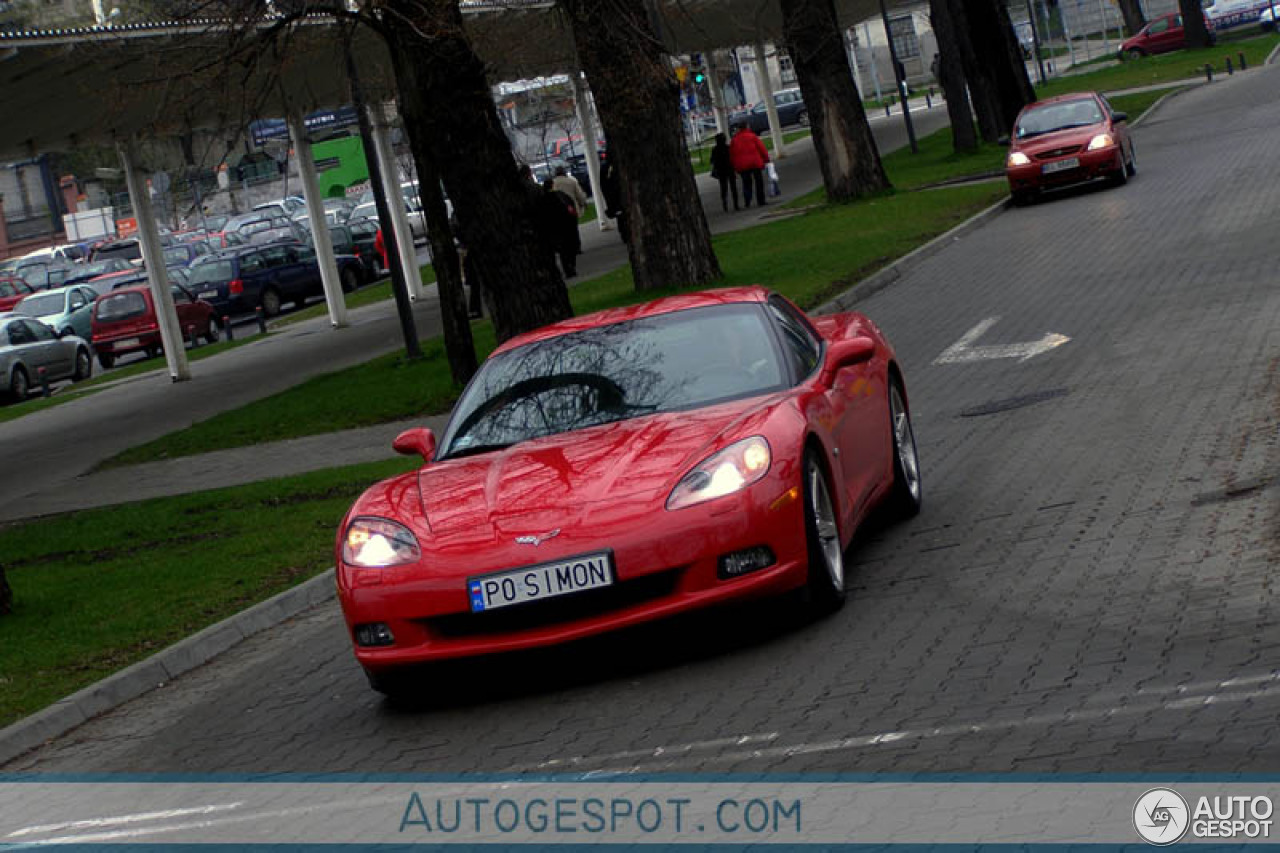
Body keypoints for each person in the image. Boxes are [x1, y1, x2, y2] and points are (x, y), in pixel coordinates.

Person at [539, 178, 580, 278]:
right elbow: (571, 208)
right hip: (566, 225)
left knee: (562, 250)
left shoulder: (542, 200)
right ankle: (571, 267)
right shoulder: (561, 196)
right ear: (553, 185)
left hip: (554, 228)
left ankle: (567, 269)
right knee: (569, 247)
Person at [729, 123, 769, 208]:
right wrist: (766, 159)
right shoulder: (752, 136)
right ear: (747, 127)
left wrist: (735, 166)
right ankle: (761, 200)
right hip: (755, 162)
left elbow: (732, 154)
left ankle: (747, 200)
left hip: (743, 165)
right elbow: (761, 148)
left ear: (738, 129)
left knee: (746, 183)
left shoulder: (735, 139)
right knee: (759, 182)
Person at [600, 152, 628, 244]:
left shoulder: (605, 167)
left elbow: (603, 185)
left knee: (621, 217)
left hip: (614, 198)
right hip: (617, 196)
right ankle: (625, 234)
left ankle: (624, 234)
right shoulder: (611, 167)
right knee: (622, 217)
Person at [709, 132, 739, 212]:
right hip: (729, 169)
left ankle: (725, 203)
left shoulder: (715, 149)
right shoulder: (728, 148)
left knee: (723, 188)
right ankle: (736, 204)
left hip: (720, 170)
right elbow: (733, 157)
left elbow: (712, 161)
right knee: (733, 187)